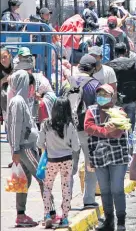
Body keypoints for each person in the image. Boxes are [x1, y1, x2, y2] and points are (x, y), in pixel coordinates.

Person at [7, 70, 57, 227]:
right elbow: (15, 127)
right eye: (30, 85)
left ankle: (21, 215)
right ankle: (52, 214)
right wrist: (15, 150)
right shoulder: (17, 101)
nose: (32, 88)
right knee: (43, 177)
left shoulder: (22, 100)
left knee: (24, 181)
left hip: (23, 147)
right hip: (25, 147)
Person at [84, 84, 129, 231]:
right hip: (99, 156)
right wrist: (105, 131)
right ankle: (109, 221)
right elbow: (88, 127)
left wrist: (109, 131)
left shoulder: (119, 112)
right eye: (100, 94)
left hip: (117, 155)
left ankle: (121, 221)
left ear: (112, 96)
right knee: (104, 189)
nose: (102, 97)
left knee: (117, 188)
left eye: (105, 94)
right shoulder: (91, 111)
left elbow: (119, 131)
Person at [38, 97, 80, 228]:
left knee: (47, 187)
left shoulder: (46, 124)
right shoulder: (70, 125)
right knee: (66, 188)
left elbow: (39, 143)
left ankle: (46, 215)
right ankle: (65, 218)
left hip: (51, 160)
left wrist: (49, 146)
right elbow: (76, 147)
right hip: (66, 160)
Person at [70, 55, 101, 210]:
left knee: (70, 167)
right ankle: (89, 199)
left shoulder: (67, 83)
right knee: (91, 165)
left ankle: (66, 200)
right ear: (93, 68)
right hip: (88, 131)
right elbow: (99, 108)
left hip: (69, 130)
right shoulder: (95, 84)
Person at [107, 43, 136, 129]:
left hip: (115, 98)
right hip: (131, 96)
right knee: (131, 123)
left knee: (117, 123)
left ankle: (120, 140)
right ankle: (130, 141)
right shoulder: (133, 64)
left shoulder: (109, 65)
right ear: (126, 51)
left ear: (114, 52)